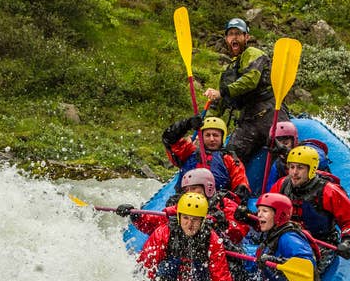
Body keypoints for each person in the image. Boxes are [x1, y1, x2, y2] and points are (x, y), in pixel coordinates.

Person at [137, 192, 237, 281]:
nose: (189, 224)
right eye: (185, 218)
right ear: (178, 217)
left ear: (202, 220)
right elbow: (146, 265)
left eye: (195, 220)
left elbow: (221, 279)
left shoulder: (211, 239)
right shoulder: (163, 233)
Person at [204, 18, 289, 165]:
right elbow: (219, 105)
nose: (234, 37)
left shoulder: (253, 53)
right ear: (226, 39)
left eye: (238, 33)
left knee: (285, 152)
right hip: (248, 121)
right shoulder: (228, 71)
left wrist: (222, 92)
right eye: (230, 34)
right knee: (231, 157)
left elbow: (250, 80)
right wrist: (204, 126)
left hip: (270, 113)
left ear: (246, 37)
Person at [267, 145, 350, 272]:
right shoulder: (282, 185)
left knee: (306, 271)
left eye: (300, 168)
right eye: (292, 167)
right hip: (287, 237)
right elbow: (267, 212)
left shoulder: (329, 191)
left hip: (321, 243)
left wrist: (347, 241)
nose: (294, 172)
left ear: (311, 169)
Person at [236, 193, 323, 281]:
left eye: (265, 211)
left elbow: (307, 265)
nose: (259, 215)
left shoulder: (289, 237)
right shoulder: (271, 234)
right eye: (258, 211)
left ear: (279, 215)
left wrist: (277, 262)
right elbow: (256, 263)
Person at [116, 168, 250, 245]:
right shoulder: (183, 205)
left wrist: (222, 225)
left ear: (208, 188)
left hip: (219, 252)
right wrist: (136, 216)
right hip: (188, 254)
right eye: (187, 189)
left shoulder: (225, 204)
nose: (190, 193)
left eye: (194, 188)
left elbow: (239, 233)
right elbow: (157, 223)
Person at [162, 114, 250, 201]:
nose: (212, 139)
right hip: (184, 202)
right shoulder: (188, 152)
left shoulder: (230, 159)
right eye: (207, 135)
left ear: (222, 137)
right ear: (201, 137)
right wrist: (187, 124)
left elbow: (241, 188)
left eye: (215, 135)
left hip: (215, 206)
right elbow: (168, 139)